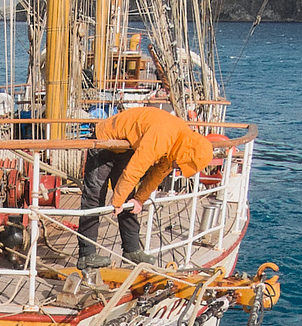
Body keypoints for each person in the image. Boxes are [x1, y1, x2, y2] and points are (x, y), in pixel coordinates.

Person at [77, 106, 215, 272]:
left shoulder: (178, 145)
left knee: (129, 199)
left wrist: (139, 199)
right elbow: (136, 169)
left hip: (125, 146)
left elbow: (158, 174)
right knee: (94, 196)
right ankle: (86, 254)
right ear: (185, 155)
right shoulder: (162, 137)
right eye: (182, 164)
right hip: (104, 140)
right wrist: (117, 202)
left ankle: (132, 250)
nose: (178, 167)